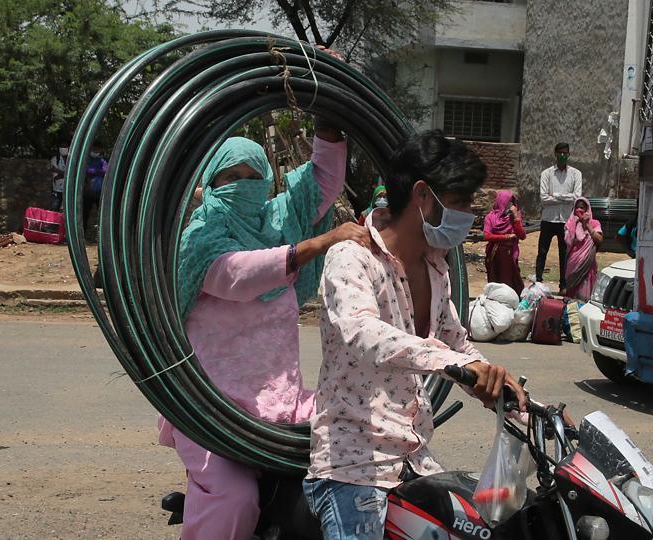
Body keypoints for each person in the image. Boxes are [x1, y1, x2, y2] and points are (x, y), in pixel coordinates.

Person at [306, 131, 527, 540]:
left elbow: (457, 343)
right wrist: (458, 364)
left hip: (415, 460)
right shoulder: (351, 259)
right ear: (423, 196)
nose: (468, 215)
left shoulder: (436, 269)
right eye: (460, 202)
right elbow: (362, 332)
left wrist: (523, 403)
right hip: (353, 468)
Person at [158, 119, 369, 540]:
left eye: (253, 176)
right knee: (232, 501)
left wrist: (329, 126)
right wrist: (316, 244)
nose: (243, 184)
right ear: (211, 181)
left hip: (282, 402)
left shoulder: (279, 220)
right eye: (231, 176)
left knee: (360, 435)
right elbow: (235, 276)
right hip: (211, 409)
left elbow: (321, 182)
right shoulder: (201, 233)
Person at [536, 142, 582, 295]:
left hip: (566, 221)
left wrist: (554, 195)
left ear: (569, 154)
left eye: (565, 153)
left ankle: (563, 285)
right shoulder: (547, 174)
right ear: (555, 154)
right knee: (542, 252)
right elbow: (543, 198)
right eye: (560, 153)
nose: (562, 155)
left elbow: (576, 197)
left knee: (564, 254)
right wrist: (565, 198)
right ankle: (538, 281)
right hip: (548, 219)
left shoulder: (576, 174)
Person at [482, 190, 526, 295]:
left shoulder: (514, 217)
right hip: (495, 253)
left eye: (512, 203)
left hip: (510, 254)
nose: (510, 206)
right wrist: (506, 237)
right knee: (496, 281)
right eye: (508, 203)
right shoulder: (491, 217)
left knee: (511, 281)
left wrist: (515, 217)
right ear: (501, 202)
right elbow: (487, 235)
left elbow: (522, 235)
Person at [563, 197, 603, 301]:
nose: (579, 210)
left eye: (582, 208)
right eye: (577, 208)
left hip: (587, 264)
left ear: (587, 210)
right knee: (572, 293)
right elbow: (568, 241)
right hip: (573, 263)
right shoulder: (570, 224)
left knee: (585, 294)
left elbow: (599, 239)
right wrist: (575, 224)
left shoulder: (595, 223)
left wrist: (587, 225)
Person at [83, 141, 108, 232]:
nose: (95, 151)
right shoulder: (86, 160)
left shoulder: (102, 161)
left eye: (97, 149)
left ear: (101, 150)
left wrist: (94, 171)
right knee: (84, 215)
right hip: (87, 192)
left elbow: (106, 171)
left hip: (99, 193)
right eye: (94, 149)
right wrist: (97, 171)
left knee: (101, 216)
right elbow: (87, 170)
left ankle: (100, 235)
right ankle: (82, 235)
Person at [49, 148, 67, 212]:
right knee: (55, 209)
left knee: (66, 210)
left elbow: (73, 173)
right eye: (62, 146)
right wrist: (66, 174)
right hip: (57, 189)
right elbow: (56, 177)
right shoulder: (55, 159)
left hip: (68, 190)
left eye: (65, 146)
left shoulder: (72, 159)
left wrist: (57, 170)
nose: (64, 148)